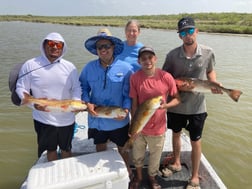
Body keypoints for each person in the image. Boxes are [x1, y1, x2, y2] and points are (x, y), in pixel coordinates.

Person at [162, 17, 222, 189]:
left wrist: (214, 83)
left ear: (196, 31)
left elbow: (210, 71)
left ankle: (195, 176)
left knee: (196, 140)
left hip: (197, 106)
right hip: (176, 104)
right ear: (179, 36)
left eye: (190, 31)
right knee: (175, 133)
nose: (187, 35)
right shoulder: (172, 55)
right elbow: (165, 79)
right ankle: (176, 163)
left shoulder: (208, 52)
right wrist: (178, 84)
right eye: (183, 32)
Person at [16, 32, 82, 161]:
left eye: (59, 45)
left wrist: (77, 101)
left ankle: (67, 175)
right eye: (51, 43)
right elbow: (20, 87)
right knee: (49, 151)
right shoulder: (30, 65)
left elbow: (77, 88)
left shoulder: (70, 67)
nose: (55, 47)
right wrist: (32, 104)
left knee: (66, 149)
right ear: (44, 45)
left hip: (66, 120)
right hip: (43, 119)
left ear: (63, 47)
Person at [79, 28, 133, 179]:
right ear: (96, 50)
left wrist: (127, 109)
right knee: (100, 146)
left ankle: (127, 171)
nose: (103, 50)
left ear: (113, 47)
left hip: (118, 121)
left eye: (107, 46)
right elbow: (83, 87)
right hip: (98, 119)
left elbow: (129, 93)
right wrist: (87, 102)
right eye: (100, 47)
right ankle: (103, 176)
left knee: (123, 148)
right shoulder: (89, 68)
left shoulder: (126, 68)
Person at [129, 46, 180, 189]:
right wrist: (134, 127)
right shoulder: (135, 78)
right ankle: (138, 178)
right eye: (143, 58)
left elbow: (177, 99)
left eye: (150, 57)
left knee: (155, 158)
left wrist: (166, 106)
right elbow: (134, 105)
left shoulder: (166, 77)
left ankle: (152, 178)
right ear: (139, 61)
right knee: (137, 156)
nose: (147, 61)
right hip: (140, 127)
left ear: (155, 59)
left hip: (158, 128)